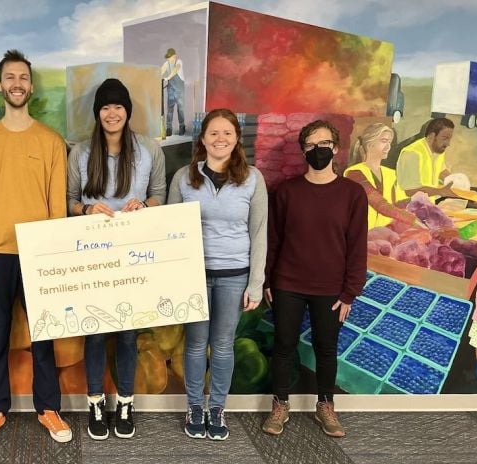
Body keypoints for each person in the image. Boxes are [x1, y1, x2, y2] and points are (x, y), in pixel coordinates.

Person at [0, 49, 71, 447]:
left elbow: (58, 206)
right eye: (10, 77)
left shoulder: (50, 141)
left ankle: (49, 408)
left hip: (41, 252)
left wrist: (58, 256)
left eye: (23, 77)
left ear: (31, 85)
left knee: (45, 336)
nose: (17, 83)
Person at [67, 78, 166, 440]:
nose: (112, 113)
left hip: (133, 253)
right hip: (92, 254)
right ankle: (95, 401)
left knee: (127, 333)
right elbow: (68, 200)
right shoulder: (79, 153)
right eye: (105, 107)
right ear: (98, 113)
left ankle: (125, 400)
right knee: (93, 333)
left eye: (118, 106)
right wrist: (86, 208)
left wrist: (145, 205)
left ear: (127, 111)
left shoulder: (149, 150)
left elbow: (159, 194)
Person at [262, 120, 368, 438]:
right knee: (283, 346)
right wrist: (267, 280)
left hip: (331, 289)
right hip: (287, 284)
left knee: (326, 348)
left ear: (335, 149)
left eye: (324, 144)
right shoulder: (286, 192)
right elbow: (273, 239)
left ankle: (325, 405)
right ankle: (280, 404)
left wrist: (350, 292)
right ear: (303, 150)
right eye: (310, 145)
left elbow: (357, 245)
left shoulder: (352, 194)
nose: (317, 150)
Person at [168, 109, 267, 440]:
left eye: (227, 133)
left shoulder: (253, 178)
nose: (220, 139)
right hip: (193, 274)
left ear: (237, 138)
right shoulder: (184, 177)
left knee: (223, 344)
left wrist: (256, 283)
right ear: (203, 139)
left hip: (235, 274)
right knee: (195, 344)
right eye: (213, 133)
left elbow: (260, 232)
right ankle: (195, 406)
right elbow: (168, 230)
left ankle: (217, 409)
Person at [345, 123, 417, 230]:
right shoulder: (354, 173)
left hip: (386, 233)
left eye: (389, 142)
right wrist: (412, 219)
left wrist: (418, 203)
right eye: (384, 141)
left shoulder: (391, 174)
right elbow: (380, 204)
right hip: (362, 234)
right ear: (370, 145)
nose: (388, 146)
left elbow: (400, 203)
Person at [396, 118, 455, 201]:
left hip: (427, 206)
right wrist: (440, 191)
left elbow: (441, 172)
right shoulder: (412, 154)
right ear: (431, 136)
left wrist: (458, 183)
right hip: (407, 208)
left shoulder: (438, 150)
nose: (448, 143)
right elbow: (410, 191)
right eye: (445, 138)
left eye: (449, 139)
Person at [160, 48, 186, 137]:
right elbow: (161, 71)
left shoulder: (179, 62)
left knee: (180, 108)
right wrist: (157, 77)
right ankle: (169, 129)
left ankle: (182, 126)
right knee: (170, 109)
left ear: (174, 56)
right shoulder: (167, 64)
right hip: (171, 88)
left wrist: (168, 77)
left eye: (169, 57)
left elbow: (176, 70)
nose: (168, 59)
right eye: (167, 58)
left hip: (179, 89)